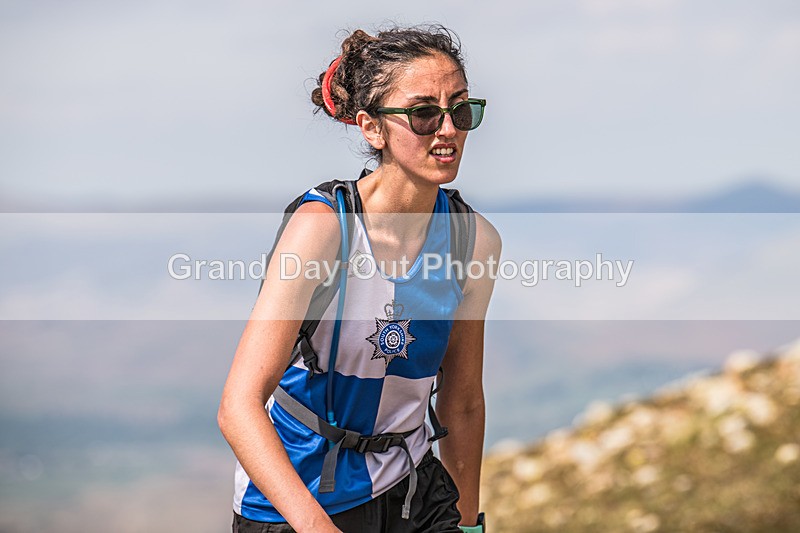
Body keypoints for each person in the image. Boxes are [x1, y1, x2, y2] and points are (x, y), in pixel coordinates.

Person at [218, 24, 500, 533]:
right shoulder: (323, 229)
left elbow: (461, 400)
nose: (448, 130)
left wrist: (469, 523)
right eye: (423, 113)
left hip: (413, 492)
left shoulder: (473, 241)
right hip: (296, 502)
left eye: (460, 109)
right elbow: (239, 407)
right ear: (372, 128)